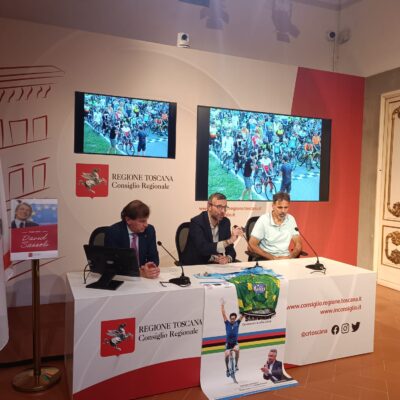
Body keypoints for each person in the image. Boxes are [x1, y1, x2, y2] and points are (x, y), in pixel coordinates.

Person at [181, 193, 243, 265]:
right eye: (219, 207)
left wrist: (228, 258)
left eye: (225, 207)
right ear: (209, 207)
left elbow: (230, 249)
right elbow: (203, 249)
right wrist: (230, 241)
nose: (223, 211)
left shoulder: (225, 222)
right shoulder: (197, 222)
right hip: (196, 265)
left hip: (216, 266)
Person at [104, 200, 160, 279]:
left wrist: (150, 267)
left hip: (144, 279)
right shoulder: (114, 232)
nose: (146, 225)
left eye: (146, 220)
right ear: (128, 220)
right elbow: (113, 264)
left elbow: (154, 257)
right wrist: (139, 272)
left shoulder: (149, 230)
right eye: (142, 221)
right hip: (122, 279)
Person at [247, 192, 302, 260]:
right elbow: (251, 245)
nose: (283, 211)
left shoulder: (291, 219)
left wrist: (290, 257)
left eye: (286, 207)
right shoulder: (264, 219)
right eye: (280, 207)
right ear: (273, 206)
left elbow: (298, 244)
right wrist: (274, 258)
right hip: (266, 258)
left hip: (285, 258)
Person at [221, 300, 244, 377]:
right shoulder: (227, 323)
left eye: (233, 318)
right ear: (230, 318)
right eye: (231, 318)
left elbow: (243, 315)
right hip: (228, 344)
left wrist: (245, 306)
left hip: (235, 343)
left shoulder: (237, 323)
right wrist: (222, 305)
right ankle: (227, 369)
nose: (232, 320)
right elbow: (223, 314)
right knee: (226, 356)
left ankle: (236, 365)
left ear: (235, 318)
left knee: (237, 350)